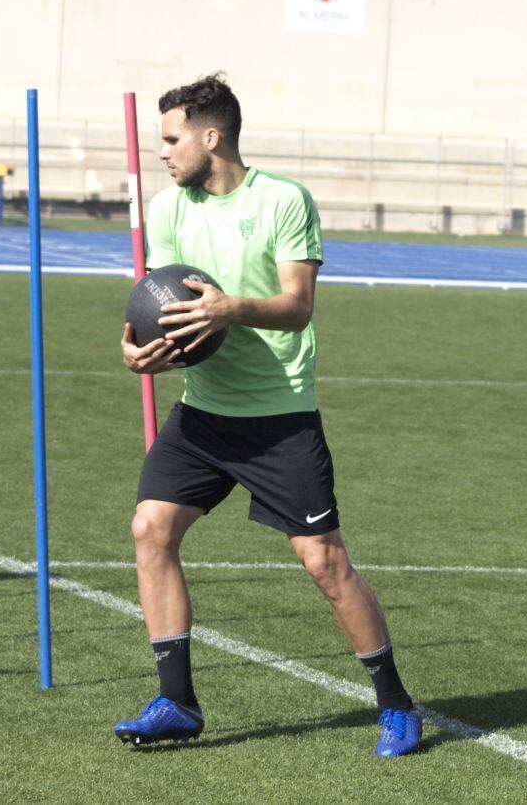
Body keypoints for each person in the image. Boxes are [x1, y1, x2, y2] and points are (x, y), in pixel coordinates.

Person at [115, 74, 420, 758]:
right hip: (203, 412)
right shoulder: (169, 210)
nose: (162, 153)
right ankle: (178, 702)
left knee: (324, 564)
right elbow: (166, 309)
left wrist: (232, 308)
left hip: (279, 416)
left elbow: (297, 306)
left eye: (171, 139)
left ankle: (397, 705)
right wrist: (143, 352)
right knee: (150, 528)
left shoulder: (284, 201)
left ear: (210, 136)